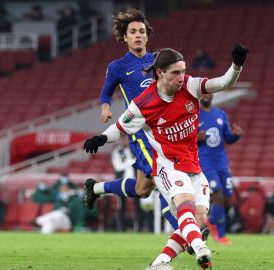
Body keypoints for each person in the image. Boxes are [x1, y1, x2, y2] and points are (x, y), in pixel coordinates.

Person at [82, 44, 249, 269]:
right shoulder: (143, 103)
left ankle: (159, 263)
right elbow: (121, 127)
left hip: (193, 166)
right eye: (175, 73)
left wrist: (236, 65)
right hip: (167, 167)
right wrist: (101, 138)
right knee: (186, 208)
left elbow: (223, 82)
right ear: (160, 73)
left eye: (183, 71)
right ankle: (201, 249)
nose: (182, 77)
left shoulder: (190, 86)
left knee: (198, 218)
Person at [83, 8, 179, 232]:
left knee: (142, 189)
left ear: (147, 36)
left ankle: (95, 189)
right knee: (160, 177)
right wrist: (105, 109)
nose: (138, 35)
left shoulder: (158, 61)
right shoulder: (117, 66)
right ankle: (186, 234)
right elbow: (105, 92)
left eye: (141, 31)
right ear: (124, 37)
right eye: (133, 32)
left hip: (163, 131)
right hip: (140, 132)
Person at [197, 94, 242, 244]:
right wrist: (196, 138)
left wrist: (236, 135)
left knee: (228, 199)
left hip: (221, 162)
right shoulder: (194, 115)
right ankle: (220, 233)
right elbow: (184, 139)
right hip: (205, 161)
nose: (206, 95)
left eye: (208, 92)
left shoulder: (221, 114)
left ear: (212, 95)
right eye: (203, 92)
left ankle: (210, 220)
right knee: (218, 194)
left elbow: (228, 137)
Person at [111, 136, 138, 231]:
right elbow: (118, 167)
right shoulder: (117, 151)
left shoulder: (134, 149)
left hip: (136, 181)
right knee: (122, 206)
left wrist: (127, 163)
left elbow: (139, 162)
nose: (126, 141)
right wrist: (131, 162)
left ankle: (139, 227)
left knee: (138, 206)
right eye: (124, 139)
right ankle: (122, 228)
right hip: (122, 181)